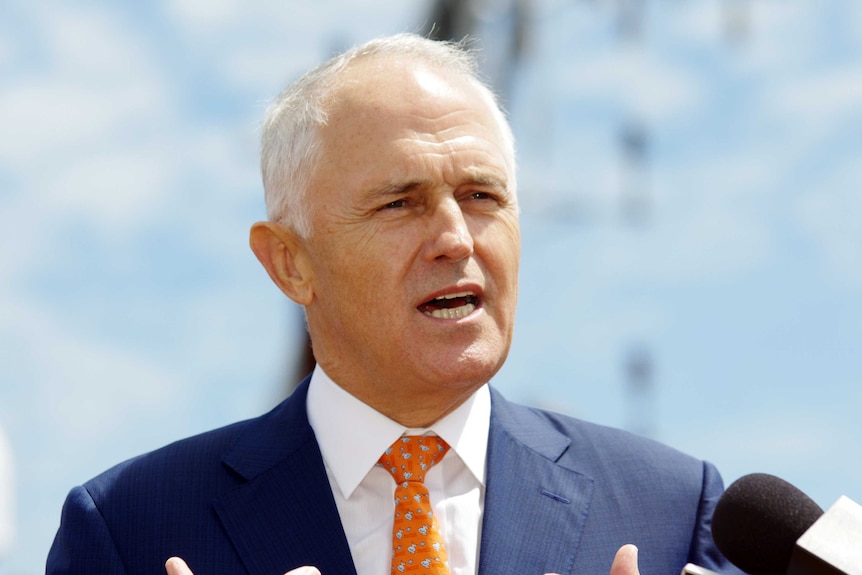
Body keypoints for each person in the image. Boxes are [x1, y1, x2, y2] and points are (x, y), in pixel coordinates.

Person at [47, 33, 740, 575]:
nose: (454, 239)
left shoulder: (674, 509)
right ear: (290, 262)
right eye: (399, 203)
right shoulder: (127, 527)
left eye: (482, 196)